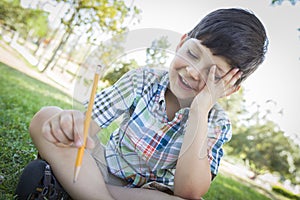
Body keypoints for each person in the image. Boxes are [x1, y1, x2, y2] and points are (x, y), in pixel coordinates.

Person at [17, 8, 268, 200]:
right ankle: (88, 191)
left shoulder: (217, 122)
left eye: (213, 74)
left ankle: (70, 188)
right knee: (47, 116)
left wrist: (200, 111)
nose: (193, 72)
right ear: (181, 43)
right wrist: (72, 125)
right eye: (192, 54)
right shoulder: (143, 79)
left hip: (144, 194)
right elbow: (87, 126)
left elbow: (189, 189)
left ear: (231, 87)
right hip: (102, 168)